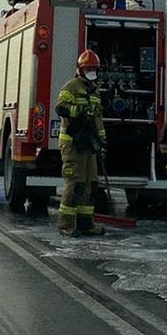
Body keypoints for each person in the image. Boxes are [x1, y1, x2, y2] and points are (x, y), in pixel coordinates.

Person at [55, 47, 106, 237]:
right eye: (88, 69)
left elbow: (98, 118)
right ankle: (66, 225)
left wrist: (102, 140)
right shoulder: (71, 87)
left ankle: (86, 224)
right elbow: (61, 108)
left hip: (89, 144)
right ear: (80, 69)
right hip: (73, 143)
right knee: (75, 183)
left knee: (90, 185)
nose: (91, 72)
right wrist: (78, 111)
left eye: (94, 69)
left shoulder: (95, 91)